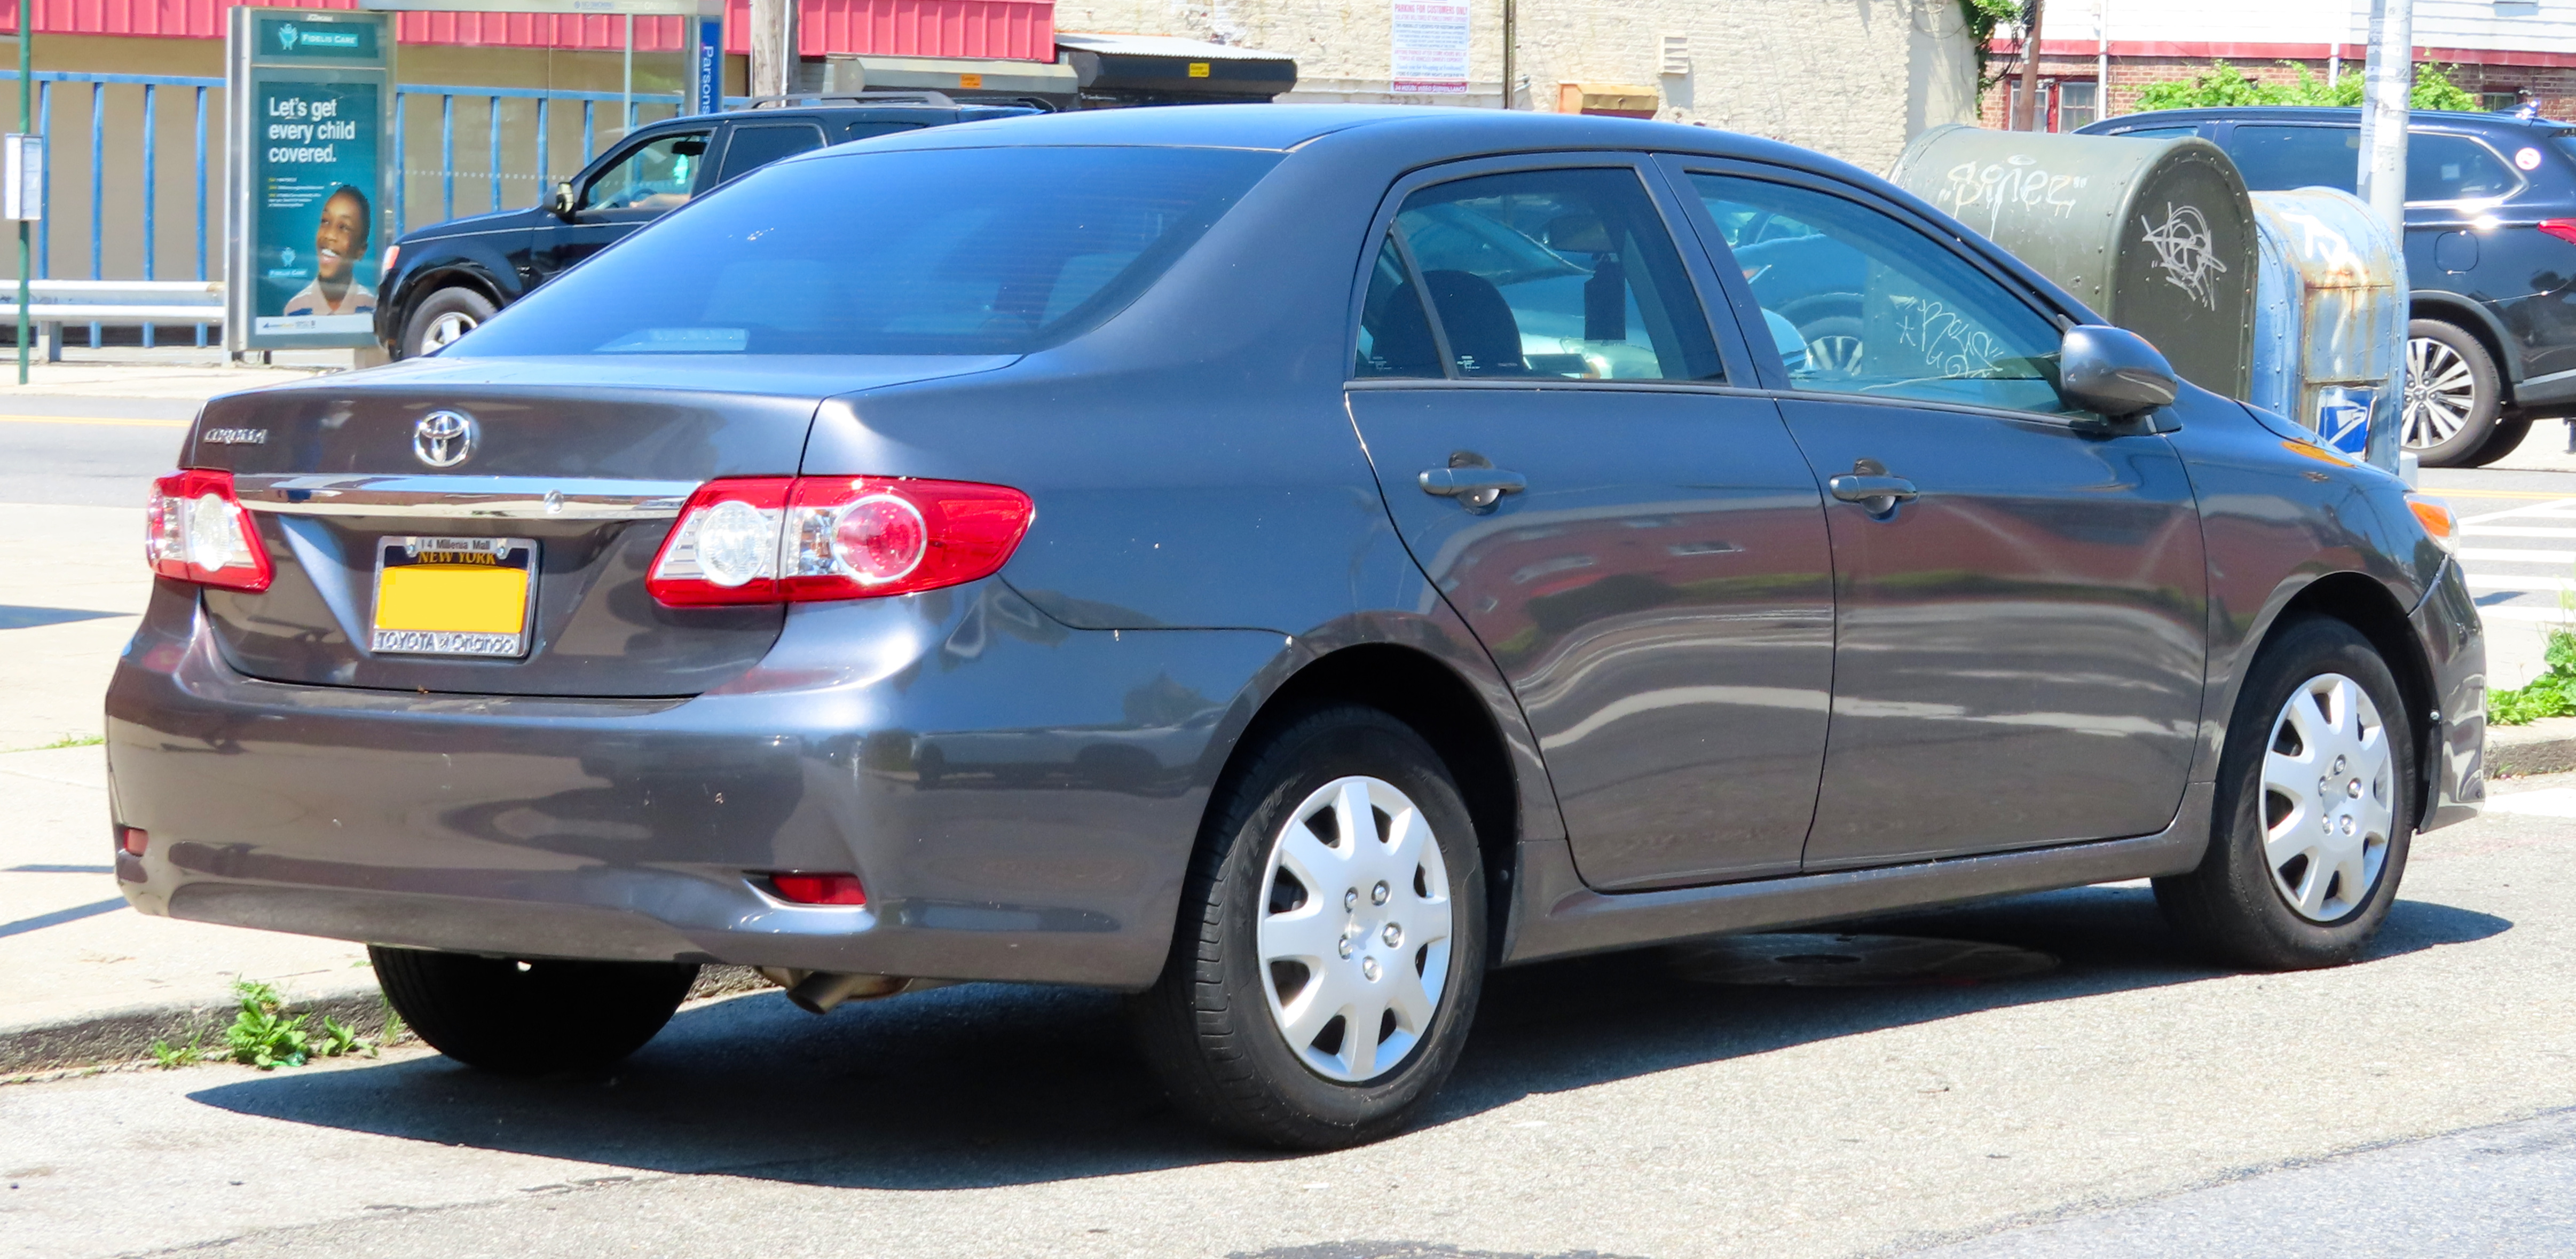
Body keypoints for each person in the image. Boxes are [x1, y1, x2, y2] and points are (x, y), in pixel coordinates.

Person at [281, 185, 375, 318]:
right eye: (325, 221)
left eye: (344, 227)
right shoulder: (295, 309)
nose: (330, 235)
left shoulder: (370, 307)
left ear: (361, 250)